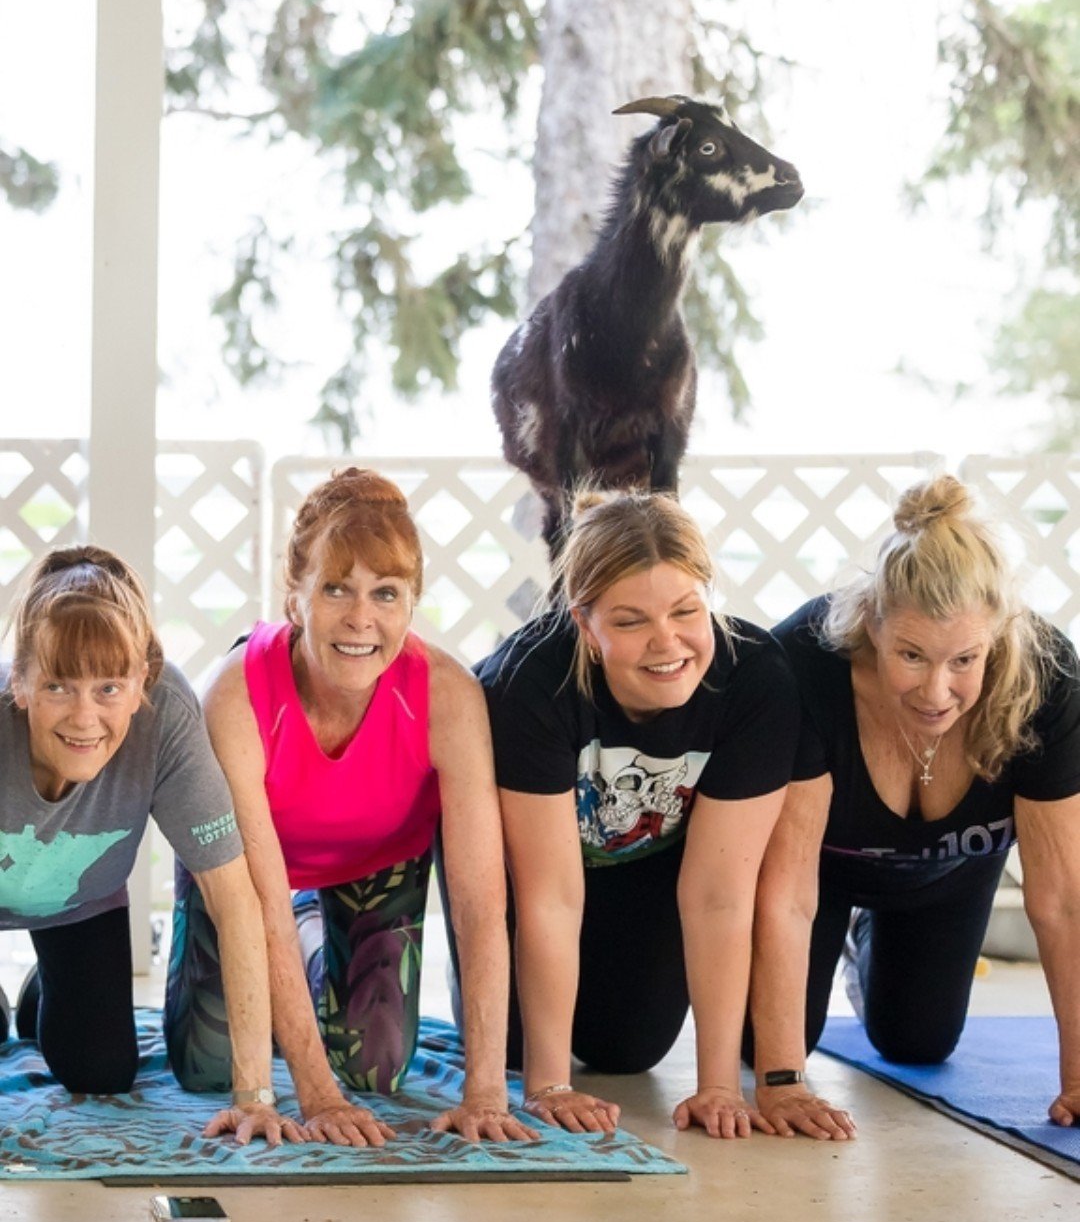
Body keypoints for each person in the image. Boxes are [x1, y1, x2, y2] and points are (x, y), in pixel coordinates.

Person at [166, 467, 535, 1147]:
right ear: (295, 600)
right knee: (206, 1067)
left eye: (385, 594)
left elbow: (481, 905)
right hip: (249, 886)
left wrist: (486, 1090)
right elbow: (263, 910)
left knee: (377, 1070)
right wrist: (316, 1094)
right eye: (336, 589)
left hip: (376, 868)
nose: (361, 618)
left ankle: (322, 939)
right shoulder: (237, 696)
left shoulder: (448, 697)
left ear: (412, 602)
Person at [752, 475, 1080, 1140]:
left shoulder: (1047, 680)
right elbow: (785, 894)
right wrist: (782, 1081)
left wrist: (1079, 1078)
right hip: (820, 870)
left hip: (950, 875)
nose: (938, 691)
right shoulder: (804, 664)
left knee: (917, 1041)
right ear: (870, 623)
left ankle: (870, 946)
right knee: (756, 1048)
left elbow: (1064, 899)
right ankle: (843, 936)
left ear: (998, 636)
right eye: (911, 655)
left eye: (965, 659)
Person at [469, 489, 801, 1139]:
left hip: (645, 861)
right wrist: (548, 1085)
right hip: (521, 875)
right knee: (514, 1055)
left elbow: (719, 895)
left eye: (686, 612)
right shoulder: (531, 684)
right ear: (584, 624)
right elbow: (550, 897)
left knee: (629, 1051)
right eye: (629, 621)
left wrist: (717, 1088)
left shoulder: (756, 681)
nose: (666, 642)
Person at [0, 546, 297, 1144]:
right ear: (22, 682)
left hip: (77, 902)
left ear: (142, 684)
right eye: (59, 685)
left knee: (102, 1071)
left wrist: (255, 1096)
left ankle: (46, 987)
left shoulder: (169, 720)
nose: (85, 717)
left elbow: (234, 899)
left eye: (109, 688)